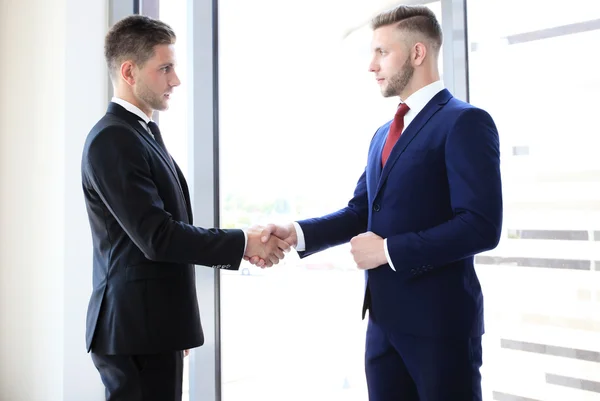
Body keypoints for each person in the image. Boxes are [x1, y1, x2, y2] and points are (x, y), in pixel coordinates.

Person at [255, 5, 502, 401]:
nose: (372, 65)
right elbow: (360, 212)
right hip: (383, 326)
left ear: (417, 53)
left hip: (440, 330)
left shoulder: (465, 122)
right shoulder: (383, 134)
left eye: (382, 52)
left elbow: (480, 225)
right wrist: (296, 233)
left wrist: (387, 250)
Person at [81, 15, 288, 401]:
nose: (175, 79)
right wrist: (245, 242)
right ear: (129, 71)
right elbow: (158, 236)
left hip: (152, 327)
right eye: (165, 68)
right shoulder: (113, 139)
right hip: (135, 331)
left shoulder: (140, 133)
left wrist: (174, 322)